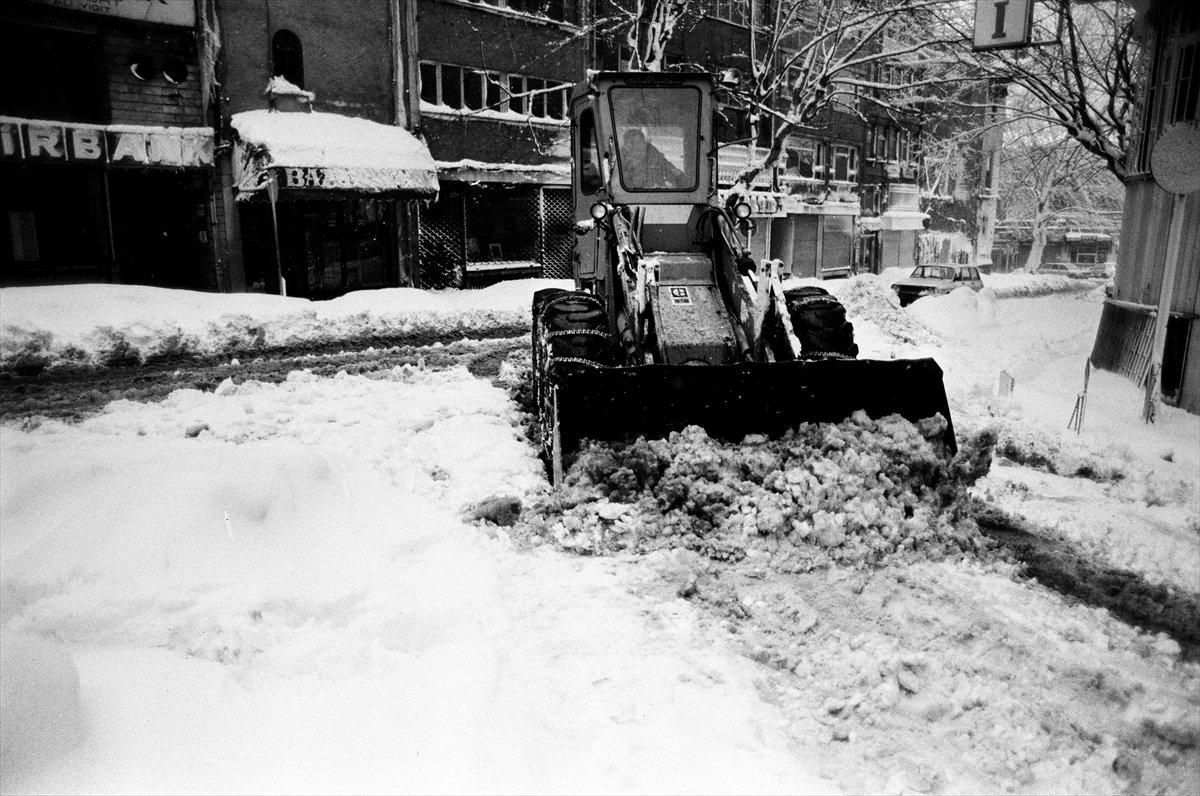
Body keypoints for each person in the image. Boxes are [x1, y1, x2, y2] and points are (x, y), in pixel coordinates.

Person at [620, 128, 688, 189]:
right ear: (626, 145)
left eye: (638, 143)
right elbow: (618, 188)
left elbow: (671, 171)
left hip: (655, 197)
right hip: (632, 198)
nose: (635, 147)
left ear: (644, 143)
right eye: (630, 143)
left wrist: (679, 177)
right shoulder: (620, 163)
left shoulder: (654, 157)